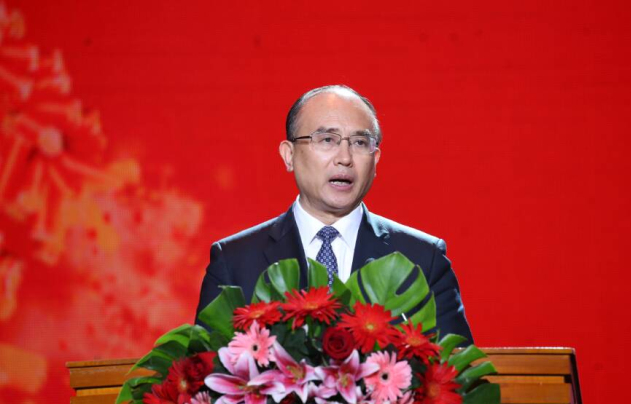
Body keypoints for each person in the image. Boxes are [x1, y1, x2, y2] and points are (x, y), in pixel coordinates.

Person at [196, 85, 473, 344]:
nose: (345, 158)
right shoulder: (234, 261)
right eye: (327, 139)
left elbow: (456, 371)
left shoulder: (423, 260)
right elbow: (208, 369)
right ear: (289, 155)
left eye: (360, 143)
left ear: (375, 160)